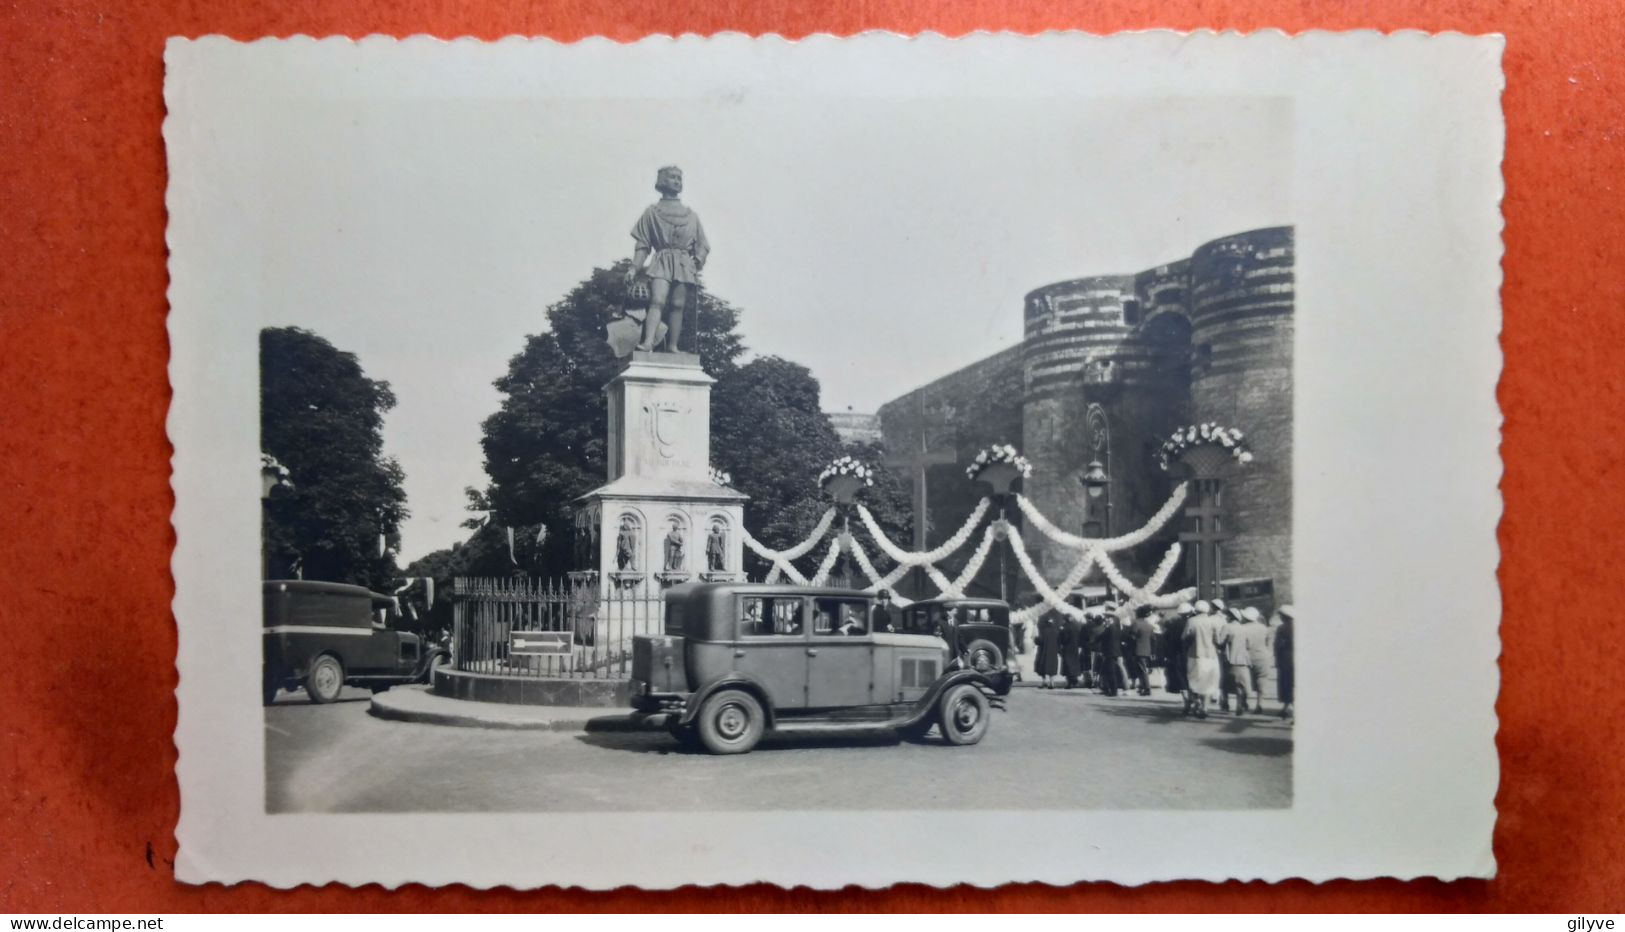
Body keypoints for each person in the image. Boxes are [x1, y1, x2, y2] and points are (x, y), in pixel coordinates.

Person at [624, 165, 710, 353]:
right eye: (672, 177)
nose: (677, 181)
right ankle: (648, 342)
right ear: (662, 181)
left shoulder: (691, 215)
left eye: (680, 178)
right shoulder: (651, 212)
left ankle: (672, 346)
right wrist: (634, 267)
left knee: (678, 304)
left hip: (683, 263)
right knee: (657, 300)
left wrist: (698, 258)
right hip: (661, 260)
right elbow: (643, 245)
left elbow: (702, 244)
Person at [1182, 600, 1224, 718]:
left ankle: (1197, 702)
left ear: (1196, 609)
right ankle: (1205, 707)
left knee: (1194, 680)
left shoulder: (1191, 621)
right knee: (1208, 682)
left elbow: (1184, 637)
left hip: (1194, 655)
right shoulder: (1213, 621)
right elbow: (1218, 640)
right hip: (1211, 655)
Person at [1219, 605, 1254, 715]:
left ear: (1230, 617)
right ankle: (1239, 704)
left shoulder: (1226, 627)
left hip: (1230, 659)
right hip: (1243, 659)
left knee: (1225, 682)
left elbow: (1220, 642)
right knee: (1240, 684)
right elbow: (1249, 645)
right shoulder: (1244, 628)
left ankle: (1225, 703)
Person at [1162, 603, 1195, 713]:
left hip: (1177, 656)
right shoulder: (1193, 623)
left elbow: (1167, 641)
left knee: (1182, 680)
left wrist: (1168, 655)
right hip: (1192, 655)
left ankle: (1186, 703)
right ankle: (1195, 700)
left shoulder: (1173, 624)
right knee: (1193, 679)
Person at [1240, 607, 1273, 713]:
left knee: (1244, 680)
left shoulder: (1242, 628)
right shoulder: (1264, 628)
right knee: (1261, 679)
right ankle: (1260, 703)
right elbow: (1269, 643)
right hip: (1262, 656)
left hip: (1246, 656)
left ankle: (1244, 702)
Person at [1094, 607, 1125, 697]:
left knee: (1110, 672)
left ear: (1111, 618)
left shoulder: (1111, 628)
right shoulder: (1115, 627)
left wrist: (1095, 640)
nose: (1105, 619)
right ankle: (1107, 688)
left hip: (1110, 652)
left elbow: (1103, 637)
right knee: (1106, 670)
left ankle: (1113, 690)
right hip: (1114, 652)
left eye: (1107, 618)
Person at [1130, 605, 1159, 696]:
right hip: (1147, 649)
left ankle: (1146, 688)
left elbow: (1132, 636)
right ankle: (1143, 686)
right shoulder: (1149, 625)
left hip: (1138, 649)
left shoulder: (1136, 623)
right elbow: (1153, 638)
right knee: (1142, 669)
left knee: (1141, 670)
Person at [1273, 605, 1295, 720]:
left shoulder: (1281, 628)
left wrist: (1276, 658)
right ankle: (1286, 708)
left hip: (1286, 659)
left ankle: (1289, 709)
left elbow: (1277, 646)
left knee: (1286, 684)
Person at [1034, 610, 1061, 688]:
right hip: (1053, 653)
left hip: (1043, 652)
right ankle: (1052, 682)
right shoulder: (1056, 632)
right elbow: (1059, 642)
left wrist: (1035, 639)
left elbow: (1039, 641)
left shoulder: (1044, 632)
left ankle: (1044, 681)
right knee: (1052, 667)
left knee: (1042, 666)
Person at [1059, 610, 1085, 689]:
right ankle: (1075, 681)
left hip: (1067, 648)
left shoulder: (1065, 627)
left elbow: (1064, 639)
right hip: (1075, 647)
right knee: (1075, 664)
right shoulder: (1077, 626)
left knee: (1067, 665)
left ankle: (1069, 682)